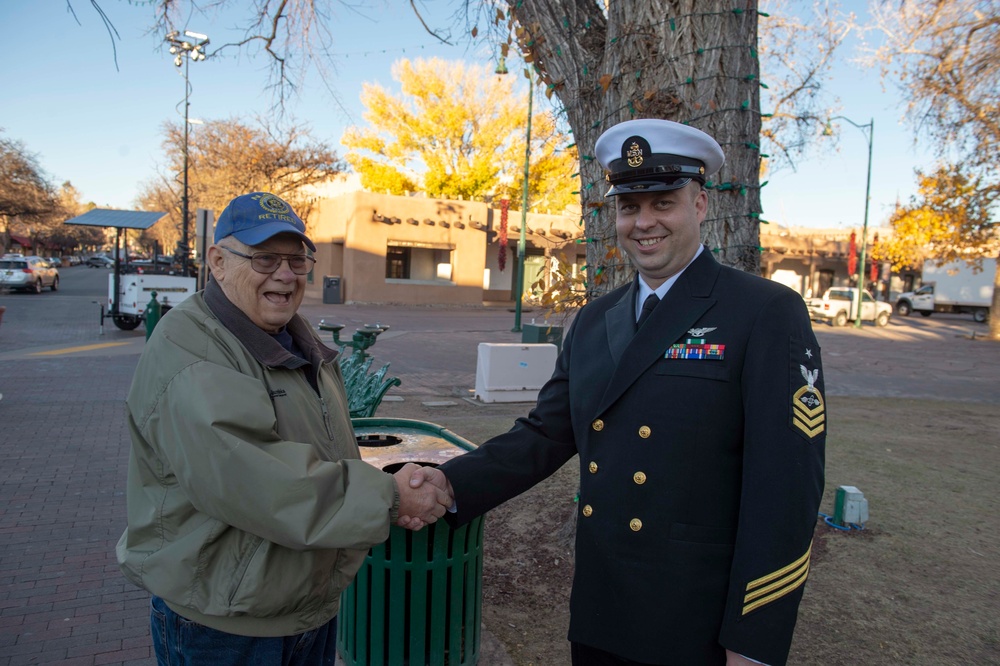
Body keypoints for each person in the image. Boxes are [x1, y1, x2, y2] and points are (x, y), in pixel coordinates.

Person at [415, 119, 826, 665]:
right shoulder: (594, 319)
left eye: (663, 203)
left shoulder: (763, 311)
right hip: (604, 604)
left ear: (700, 205)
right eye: (629, 207)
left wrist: (753, 641)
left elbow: (786, 489)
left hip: (697, 619)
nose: (644, 222)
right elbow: (546, 434)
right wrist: (448, 482)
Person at [116, 192, 452, 665]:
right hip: (225, 626)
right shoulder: (191, 349)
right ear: (218, 262)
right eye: (264, 258)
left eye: (297, 260)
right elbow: (254, 479)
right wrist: (391, 497)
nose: (285, 274)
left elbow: (321, 448)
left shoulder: (294, 336)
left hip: (303, 610)